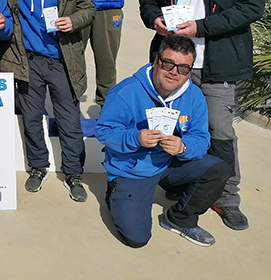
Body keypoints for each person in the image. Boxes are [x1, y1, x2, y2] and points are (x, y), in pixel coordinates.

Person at [139, 0, 265, 231]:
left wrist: (201, 27)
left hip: (218, 63)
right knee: (173, 127)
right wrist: (155, 21)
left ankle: (226, 198)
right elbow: (147, 0)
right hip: (172, 64)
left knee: (219, 131)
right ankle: (182, 184)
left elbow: (252, 7)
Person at [0, 0, 95, 201]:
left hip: (61, 58)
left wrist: (73, 20)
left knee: (69, 120)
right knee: (32, 118)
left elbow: (89, 9)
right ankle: (38, 167)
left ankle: (73, 174)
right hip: (27, 59)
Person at [96, 35, 230, 247]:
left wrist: (183, 147)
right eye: (169, 64)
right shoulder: (126, 91)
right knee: (136, 239)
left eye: (183, 68)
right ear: (157, 61)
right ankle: (116, 192)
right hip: (133, 169)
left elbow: (201, 137)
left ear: (190, 70)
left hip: (169, 162)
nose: (174, 72)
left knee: (218, 169)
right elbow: (103, 131)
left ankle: (178, 218)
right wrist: (135, 137)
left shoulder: (194, 95)